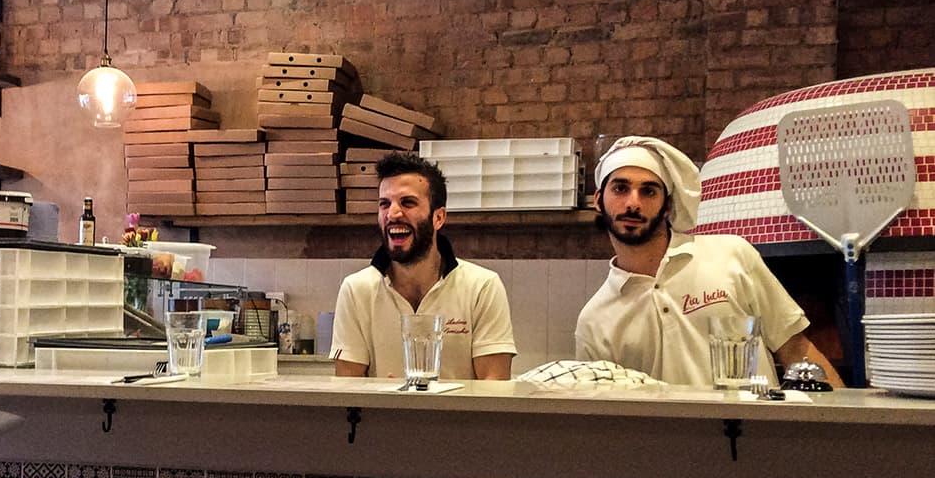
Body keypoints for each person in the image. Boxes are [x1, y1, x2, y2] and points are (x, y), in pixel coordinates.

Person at [575, 136, 842, 387]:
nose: (633, 203)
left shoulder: (732, 254)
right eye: (620, 188)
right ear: (598, 200)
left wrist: (844, 415)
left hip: (756, 423)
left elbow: (796, 348)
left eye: (649, 192)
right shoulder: (594, 320)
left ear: (667, 206)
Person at [330, 152, 516, 380]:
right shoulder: (356, 290)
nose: (392, 214)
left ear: (438, 218)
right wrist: (383, 395)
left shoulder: (482, 287)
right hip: (383, 407)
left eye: (407, 202)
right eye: (384, 204)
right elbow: (347, 391)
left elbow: (494, 389)